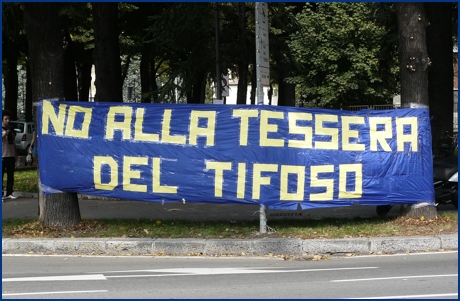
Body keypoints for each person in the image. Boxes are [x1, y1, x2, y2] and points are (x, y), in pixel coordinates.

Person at [2, 110, 18, 201]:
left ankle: (9, 192)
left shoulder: (11, 130)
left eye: (9, 119)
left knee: (10, 175)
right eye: (6, 119)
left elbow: (13, 142)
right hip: (2, 156)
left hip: (11, 155)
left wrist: (16, 153)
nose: (7, 121)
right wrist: (6, 132)